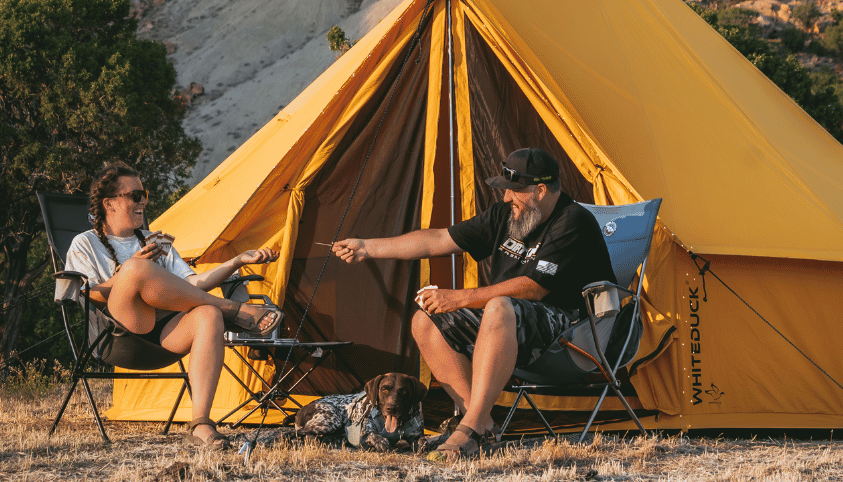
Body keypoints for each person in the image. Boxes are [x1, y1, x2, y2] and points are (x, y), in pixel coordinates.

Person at [333, 148, 614, 459]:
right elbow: (438, 239)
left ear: (541, 190)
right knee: (425, 320)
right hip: (506, 322)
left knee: (497, 305)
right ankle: (480, 422)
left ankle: (470, 427)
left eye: (514, 190)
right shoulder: (506, 215)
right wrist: (367, 247)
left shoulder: (573, 221)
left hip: (569, 331)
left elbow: (533, 289)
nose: (507, 198)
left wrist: (460, 297)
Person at [65, 161, 281, 449]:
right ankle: (233, 310)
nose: (143, 201)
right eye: (135, 195)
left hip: (163, 335)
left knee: (207, 314)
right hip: (119, 333)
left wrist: (238, 260)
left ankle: (202, 425)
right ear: (110, 203)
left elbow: (192, 285)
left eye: (144, 194)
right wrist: (127, 273)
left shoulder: (157, 241)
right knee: (135, 269)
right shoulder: (85, 243)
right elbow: (87, 292)